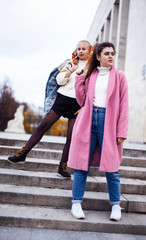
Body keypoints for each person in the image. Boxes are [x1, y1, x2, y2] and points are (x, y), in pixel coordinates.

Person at [8, 40, 92, 180]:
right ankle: (23, 153)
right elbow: (59, 81)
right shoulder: (70, 63)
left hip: (77, 103)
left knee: (71, 136)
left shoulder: (91, 67)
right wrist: (70, 71)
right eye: (78, 49)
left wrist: (84, 107)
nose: (80, 51)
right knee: (43, 125)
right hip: (62, 99)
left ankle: (62, 166)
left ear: (90, 52)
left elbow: (91, 89)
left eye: (84, 49)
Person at [67, 42, 129, 220]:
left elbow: (124, 105)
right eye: (107, 53)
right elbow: (82, 100)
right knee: (81, 165)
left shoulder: (119, 76)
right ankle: (76, 203)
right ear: (98, 56)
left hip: (109, 122)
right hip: (88, 120)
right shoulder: (91, 74)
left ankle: (116, 206)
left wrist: (121, 131)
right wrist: (79, 78)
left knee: (112, 167)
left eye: (112, 53)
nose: (111, 56)